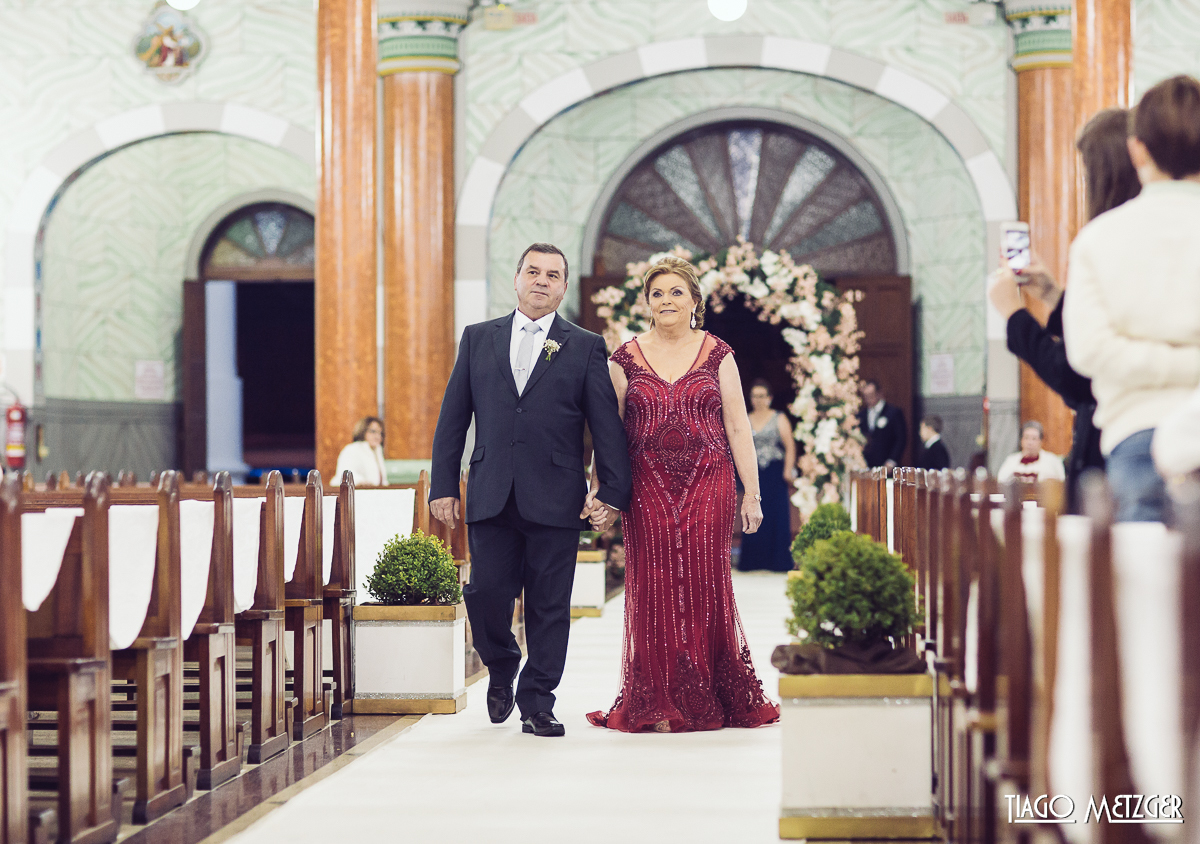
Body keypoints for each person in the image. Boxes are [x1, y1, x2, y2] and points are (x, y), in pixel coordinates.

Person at [429, 242, 632, 738]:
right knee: (487, 594)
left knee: (549, 605)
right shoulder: (479, 339)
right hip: (490, 490)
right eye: (533, 271)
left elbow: (606, 426)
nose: (542, 280)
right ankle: (501, 664)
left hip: (557, 496)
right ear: (517, 278)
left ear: (564, 287)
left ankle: (538, 700)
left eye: (553, 274)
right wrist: (442, 484)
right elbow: (454, 416)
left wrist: (610, 493)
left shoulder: (584, 345)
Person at [586, 255, 780, 733]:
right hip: (646, 483)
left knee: (701, 580)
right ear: (647, 304)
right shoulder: (624, 358)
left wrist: (751, 492)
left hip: (709, 481)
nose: (667, 300)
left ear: (695, 301)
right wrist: (601, 491)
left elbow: (737, 426)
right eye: (657, 293)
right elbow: (607, 433)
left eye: (676, 292)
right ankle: (655, 698)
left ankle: (704, 692)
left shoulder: (719, 354)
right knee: (652, 583)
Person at [1063, 75, 1200, 522]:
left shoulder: (1100, 239)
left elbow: (1089, 352)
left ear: (1137, 149)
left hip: (1140, 432)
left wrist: (1169, 367)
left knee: (1148, 588)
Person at [988, 107, 1139, 512]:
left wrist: (1015, 316)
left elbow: (1077, 376)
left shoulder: (1108, 239)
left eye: (1087, 173)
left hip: (1120, 443)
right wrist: (1054, 295)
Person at [738, 379, 796, 572]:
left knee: (775, 514)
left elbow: (790, 446)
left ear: (769, 398)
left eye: (762, 396)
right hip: (753, 473)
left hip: (774, 471)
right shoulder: (745, 418)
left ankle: (777, 562)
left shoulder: (779, 417)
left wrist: (788, 470)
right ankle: (753, 561)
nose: (758, 400)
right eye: (755, 396)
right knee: (752, 511)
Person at [858, 379, 906, 469]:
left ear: (878, 394)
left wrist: (892, 460)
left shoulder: (893, 413)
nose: (868, 399)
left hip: (887, 464)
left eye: (871, 395)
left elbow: (901, 439)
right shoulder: (861, 415)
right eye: (866, 396)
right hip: (867, 465)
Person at [997, 421, 1066, 484]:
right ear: (1021, 440)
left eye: (1034, 438)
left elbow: (1062, 484)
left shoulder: (1053, 461)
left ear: (1041, 441)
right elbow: (1000, 481)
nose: (1030, 443)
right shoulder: (1011, 460)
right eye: (1026, 438)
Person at [334, 416, 388, 486]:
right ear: (363, 430)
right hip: (355, 493)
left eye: (380, 433)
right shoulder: (352, 449)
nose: (377, 436)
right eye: (373, 431)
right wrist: (361, 482)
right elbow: (345, 474)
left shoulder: (377, 452)